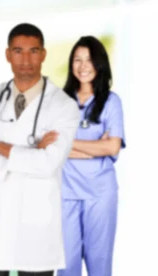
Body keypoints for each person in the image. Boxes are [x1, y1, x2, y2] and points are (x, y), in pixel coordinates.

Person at [0, 23, 80, 276]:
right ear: (8, 54)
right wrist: (29, 153)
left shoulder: (63, 106)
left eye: (33, 51)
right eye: (18, 51)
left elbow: (48, 164)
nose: (26, 59)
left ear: (43, 54)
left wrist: (0, 147)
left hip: (36, 221)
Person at [59, 36, 125, 276]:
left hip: (100, 193)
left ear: (100, 64)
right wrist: (96, 145)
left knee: (99, 263)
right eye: (78, 59)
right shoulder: (60, 102)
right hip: (66, 193)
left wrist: (68, 144)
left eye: (89, 59)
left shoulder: (111, 101)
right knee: (66, 265)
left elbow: (113, 148)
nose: (83, 65)